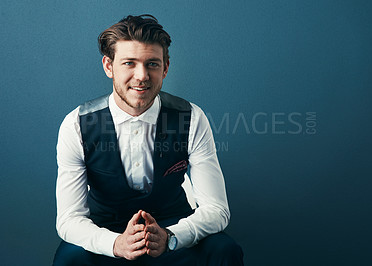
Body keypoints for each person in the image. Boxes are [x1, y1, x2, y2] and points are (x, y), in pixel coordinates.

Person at [53, 14, 244, 265]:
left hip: (173, 230)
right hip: (106, 232)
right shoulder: (76, 124)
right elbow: (69, 219)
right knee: (70, 259)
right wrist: (114, 244)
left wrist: (171, 236)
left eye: (152, 64)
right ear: (108, 66)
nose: (142, 75)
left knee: (224, 249)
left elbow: (217, 210)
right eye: (129, 63)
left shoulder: (192, 118)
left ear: (165, 68)